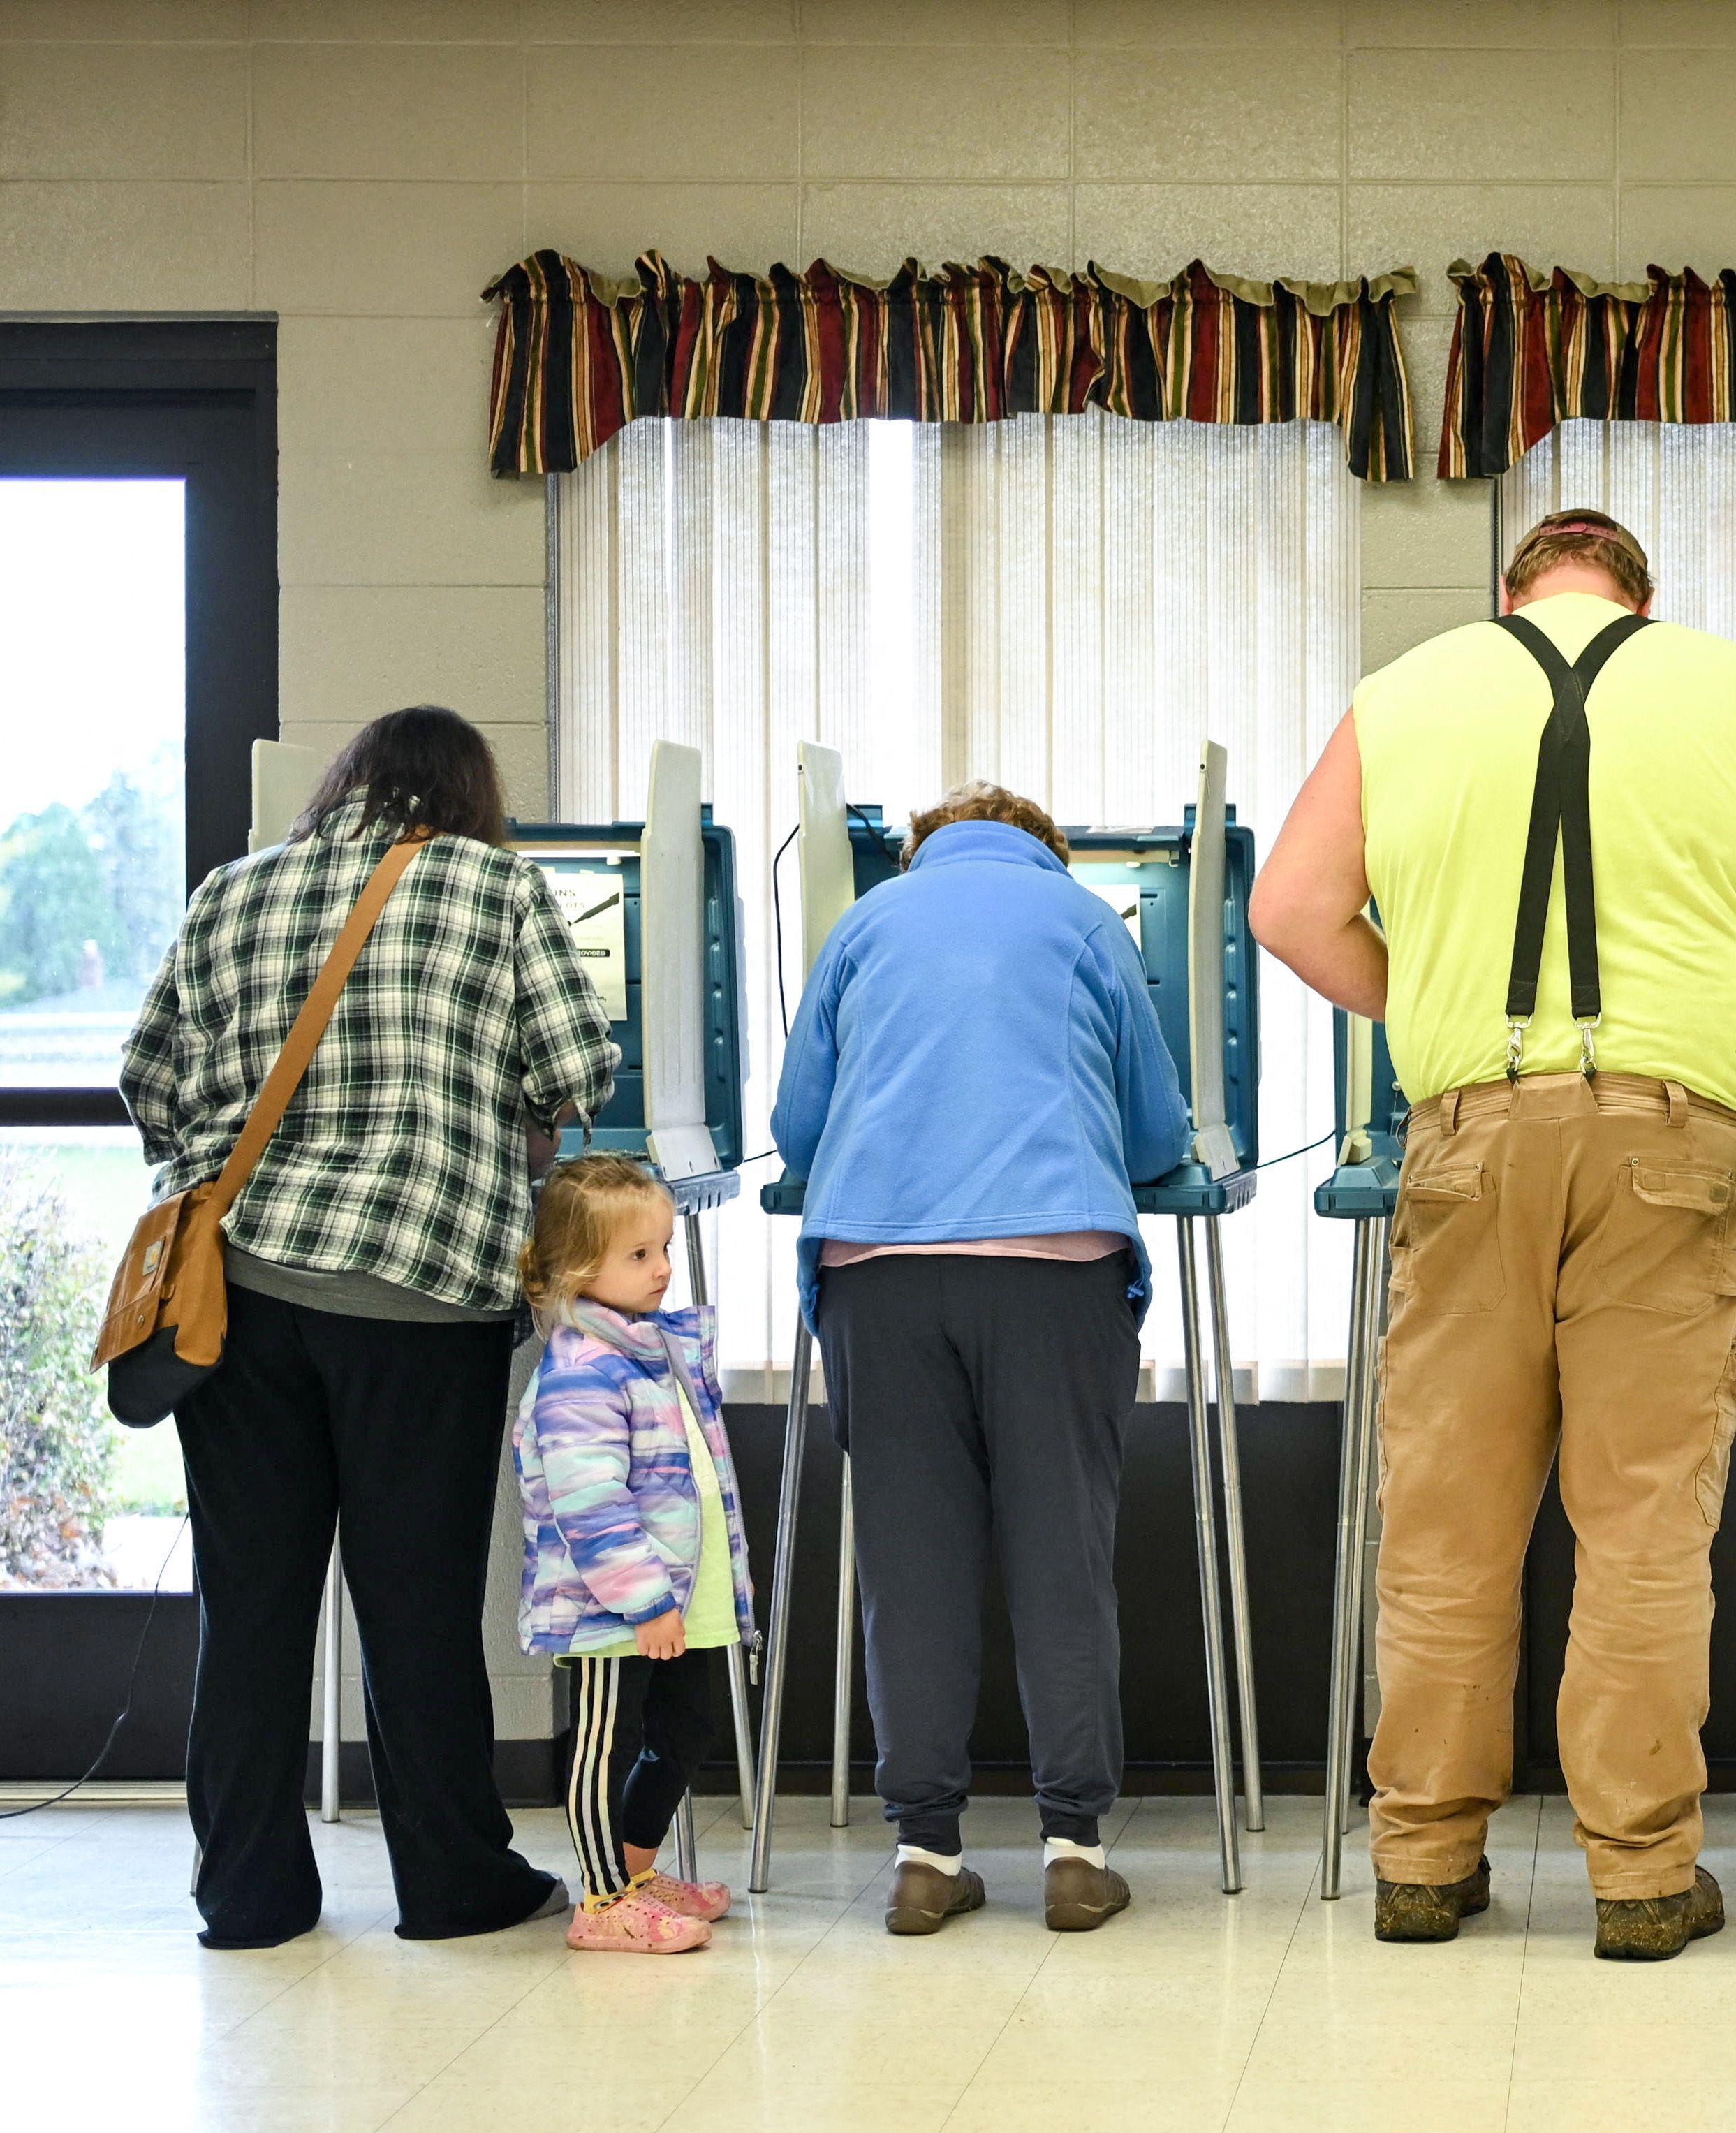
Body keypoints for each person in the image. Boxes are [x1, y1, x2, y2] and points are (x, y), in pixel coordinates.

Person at [1253, 508, 1736, 1961]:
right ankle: (1640, 1877)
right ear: (1641, 600)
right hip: (1674, 1142)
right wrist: (1686, 1021)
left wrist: (1445, 1009)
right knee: (1644, 1525)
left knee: (1449, 1524)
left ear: (1511, 593)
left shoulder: (1403, 691)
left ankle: (1422, 1859)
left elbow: (1290, 907)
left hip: (1468, 1138)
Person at [119, 705, 612, 1950]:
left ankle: (248, 1897)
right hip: (418, 1296)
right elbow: (576, 1068)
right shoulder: (498, 889)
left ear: (345, 784)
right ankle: (450, 1882)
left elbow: (152, 1073)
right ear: (467, 795)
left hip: (242, 1296)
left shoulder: (237, 887)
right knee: (417, 1602)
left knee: (252, 1608)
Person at [770, 782, 1189, 1937]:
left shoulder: (864, 923)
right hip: (1053, 1271)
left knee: (909, 1567)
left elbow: (797, 1124)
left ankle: (923, 1851)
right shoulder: (1085, 923)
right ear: (1047, 851)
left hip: (879, 1273)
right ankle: (1072, 1850)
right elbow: (1159, 1130)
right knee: (1061, 1555)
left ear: (921, 850)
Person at [510, 1154, 749, 1955]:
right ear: (579, 1268)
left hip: (673, 1603)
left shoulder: (651, 1350)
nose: (663, 1268)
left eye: (664, 1248)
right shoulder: (582, 1371)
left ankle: (635, 1874)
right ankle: (601, 1901)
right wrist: (644, 1598)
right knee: (602, 1749)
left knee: (687, 1731)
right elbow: (592, 1504)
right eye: (639, 1255)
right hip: (612, 1610)